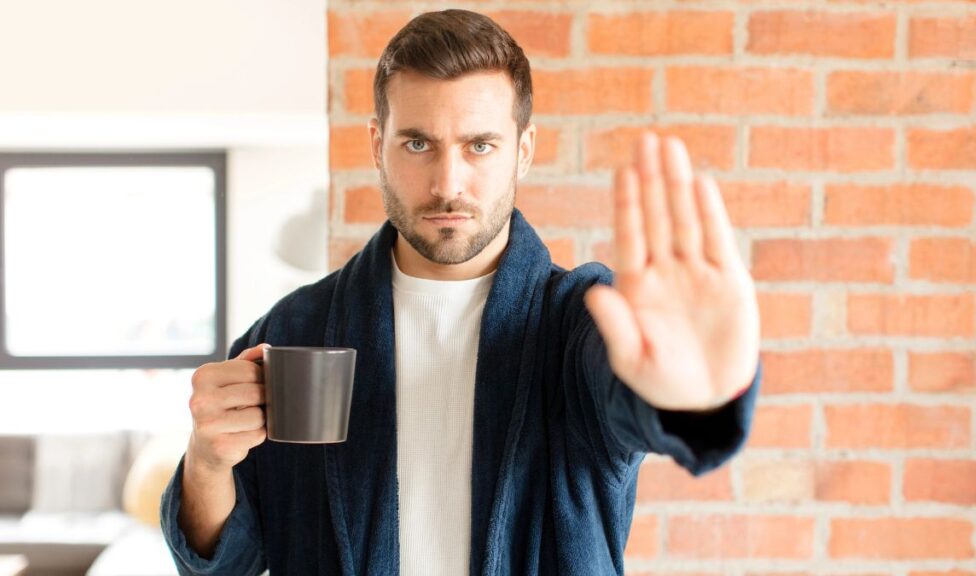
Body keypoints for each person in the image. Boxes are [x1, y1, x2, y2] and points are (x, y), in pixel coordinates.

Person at [160, 8, 763, 576]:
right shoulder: (294, 331)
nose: (448, 183)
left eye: (480, 145)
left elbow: (631, 398)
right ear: (378, 146)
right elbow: (222, 562)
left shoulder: (579, 323)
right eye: (418, 144)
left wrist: (688, 398)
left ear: (523, 151)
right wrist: (207, 462)